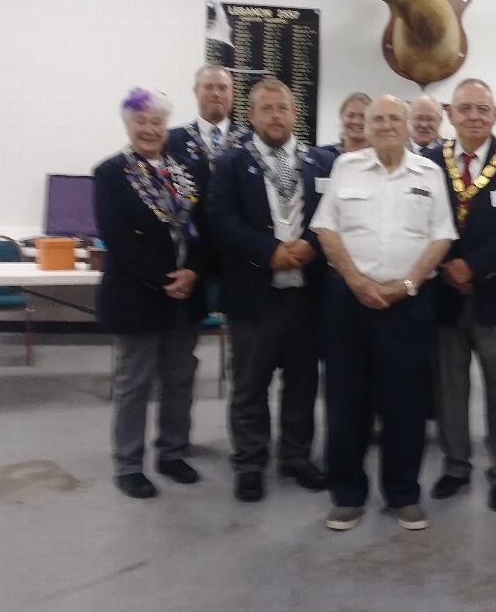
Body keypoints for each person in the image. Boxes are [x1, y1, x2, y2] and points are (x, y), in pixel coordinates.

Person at [312, 95, 456, 531]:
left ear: (410, 124)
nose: (388, 125)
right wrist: (356, 281)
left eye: (396, 117)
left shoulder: (429, 173)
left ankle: (403, 494)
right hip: (348, 304)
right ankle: (348, 495)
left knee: (405, 404)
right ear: (365, 126)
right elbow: (326, 228)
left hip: (408, 306)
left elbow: (441, 236)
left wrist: (407, 284)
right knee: (345, 401)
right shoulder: (346, 167)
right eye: (378, 119)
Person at [207, 79, 335, 502]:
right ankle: (250, 462)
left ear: (294, 114)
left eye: (283, 108)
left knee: (301, 384)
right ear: (252, 115)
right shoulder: (231, 163)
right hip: (254, 295)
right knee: (250, 384)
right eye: (267, 109)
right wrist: (268, 252)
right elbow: (220, 219)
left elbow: (333, 218)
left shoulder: (318, 163)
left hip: (305, 297)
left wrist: (309, 246)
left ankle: (296, 456)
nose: (276, 116)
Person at [424, 78, 496, 512]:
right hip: (445, 297)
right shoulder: (431, 160)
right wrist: (448, 266)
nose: (474, 116)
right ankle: (455, 465)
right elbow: (424, 220)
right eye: (466, 108)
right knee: (450, 390)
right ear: (450, 114)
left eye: (483, 109)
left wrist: (474, 265)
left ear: (495, 115)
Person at [93, 88, 207, 499]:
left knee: (179, 380)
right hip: (137, 296)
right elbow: (117, 240)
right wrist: (167, 278)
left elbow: (203, 230)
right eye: (141, 121)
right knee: (134, 383)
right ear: (128, 125)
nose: (150, 129)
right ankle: (128, 465)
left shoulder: (186, 170)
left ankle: (173, 453)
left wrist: (193, 271)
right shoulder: (110, 173)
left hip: (186, 295)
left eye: (157, 122)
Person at [167, 65, 251, 169]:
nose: (216, 94)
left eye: (222, 88)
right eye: (208, 87)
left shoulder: (249, 140)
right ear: (195, 92)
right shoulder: (172, 139)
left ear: (232, 93)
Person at [319, 92, 371, 159]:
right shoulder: (321, 156)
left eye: (363, 116)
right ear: (341, 117)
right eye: (351, 115)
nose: (356, 121)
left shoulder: (383, 157)